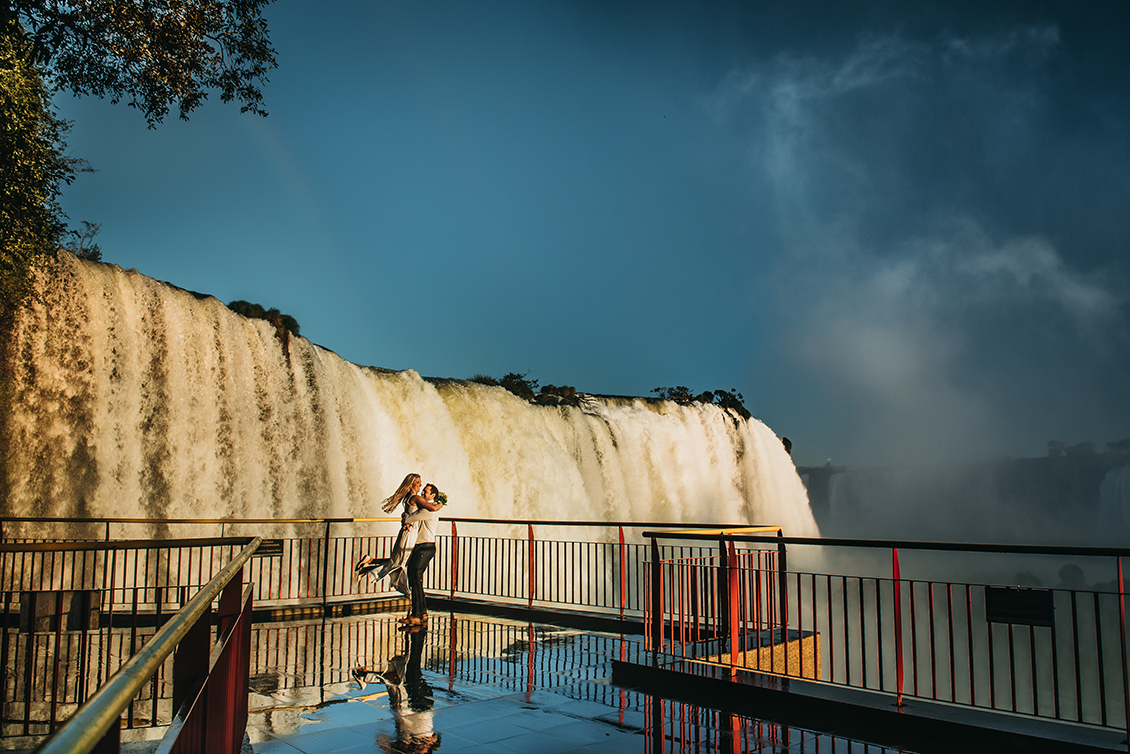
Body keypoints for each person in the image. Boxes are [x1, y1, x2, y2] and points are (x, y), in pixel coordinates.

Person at [357, 473, 424, 593]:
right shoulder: (415, 498)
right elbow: (430, 508)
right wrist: (439, 501)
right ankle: (368, 568)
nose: (421, 485)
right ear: (411, 484)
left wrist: (405, 518)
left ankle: (370, 562)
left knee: (399, 560)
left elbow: (408, 513)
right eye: (418, 482)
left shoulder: (409, 497)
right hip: (409, 533)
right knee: (400, 561)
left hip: (409, 532)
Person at [401, 483, 444, 625]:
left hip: (424, 547)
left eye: (425, 492)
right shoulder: (431, 507)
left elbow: (408, 518)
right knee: (416, 579)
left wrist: (404, 515)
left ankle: (417, 615)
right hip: (426, 547)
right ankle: (422, 612)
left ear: (432, 495)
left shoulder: (428, 510)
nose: (422, 493)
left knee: (414, 579)